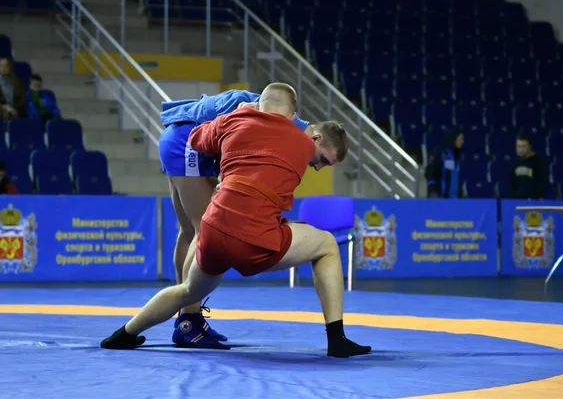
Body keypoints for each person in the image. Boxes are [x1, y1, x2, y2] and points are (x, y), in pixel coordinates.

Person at [101, 83, 370, 358]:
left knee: (188, 285)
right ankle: (336, 339)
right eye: (322, 161)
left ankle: (124, 333)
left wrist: (229, 131)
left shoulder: (236, 117)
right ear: (302, 126)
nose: (318, 167)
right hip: (253, 241)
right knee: (326, 244)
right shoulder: (301, 142)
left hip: (215, 231)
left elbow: (197, 138)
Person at [158, 87, 336, 348]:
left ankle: (188, 318)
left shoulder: (277, 111)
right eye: (324, 160)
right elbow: (234, 131)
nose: (318, 167)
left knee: (188, 232)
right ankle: (188, 323)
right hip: (189, 142)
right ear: (317, 139)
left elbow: (235, 135)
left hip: (178, 136)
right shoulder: (285, 125)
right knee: (201, 231)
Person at [425, 129, 465, 198]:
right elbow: (430, 171)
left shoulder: (458, 155)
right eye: (461, 138)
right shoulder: (439, 152)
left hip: (455, 200)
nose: (462, 141)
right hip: (441, 199)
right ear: (454, 138)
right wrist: (432, 191)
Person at [509, 134, 548, 199]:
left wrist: (533, 197)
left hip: (533, 201)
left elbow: (542, 183)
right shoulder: (514, 163)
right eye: (518, 146)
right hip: (517, 201)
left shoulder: (538, 162)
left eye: (523, 146)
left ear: (529, 147)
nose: (521, 149)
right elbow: (512, 185)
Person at [0, 57, 27, 121]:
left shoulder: (18, 82)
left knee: (23, 113)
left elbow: (22, 99)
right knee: (6, 114)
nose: (4, 68)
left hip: (15, 109)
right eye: (1, 66)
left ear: (10, 68)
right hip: (2, 108)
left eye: (6, 65)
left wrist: (13, 109)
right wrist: (6, 107)